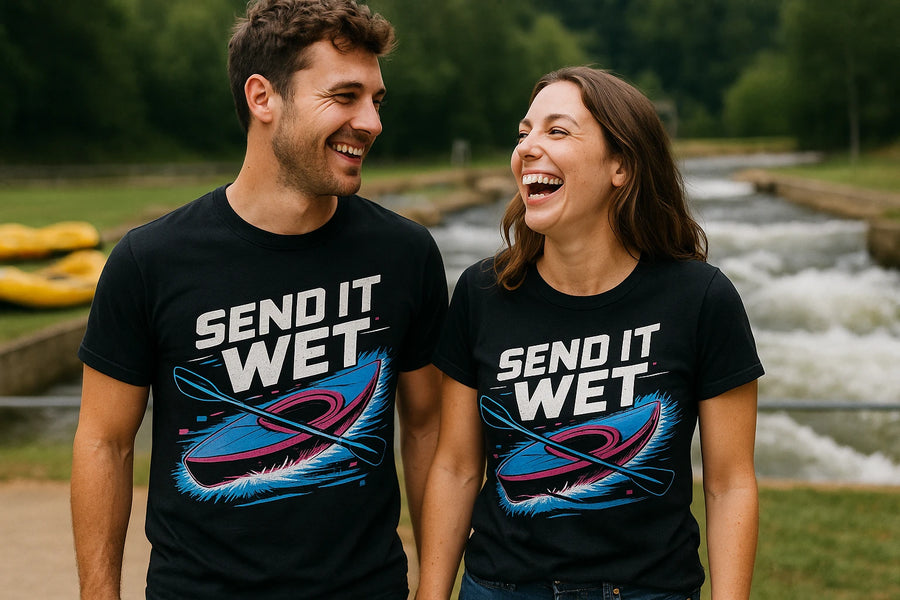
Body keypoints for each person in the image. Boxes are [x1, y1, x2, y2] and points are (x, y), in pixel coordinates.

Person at [71, 1, 448, 598]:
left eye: (376, 100)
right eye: (345, 96)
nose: (372, 122)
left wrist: (433, 588)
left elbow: (427, 429)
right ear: (262, 97)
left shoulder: (405, 253)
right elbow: (104, 442)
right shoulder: (150, 260)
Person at [416, 66, 762, 600]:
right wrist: (431, 594)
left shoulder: (702, 300)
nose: (528, 147)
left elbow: (730, 483)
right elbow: (457, 466)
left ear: (620, 165)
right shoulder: (481, 292)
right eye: (524, 131)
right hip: (502, 588)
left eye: (557, 131)